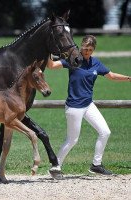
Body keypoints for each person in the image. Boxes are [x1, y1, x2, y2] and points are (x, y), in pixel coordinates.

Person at [47, 35, 131, 176]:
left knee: (105, 132)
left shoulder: (96, 63)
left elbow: (111, 76)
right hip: (74, 107)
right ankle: (56, 167)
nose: (86, 52)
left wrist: (129, 78)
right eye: (85, 49)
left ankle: (96, 165)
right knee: (72, 139)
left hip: (88, 105)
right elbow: (51, 66)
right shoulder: (73, 59)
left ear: (93, 50)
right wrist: (47, 50)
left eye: (90, 50)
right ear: (81, 47)